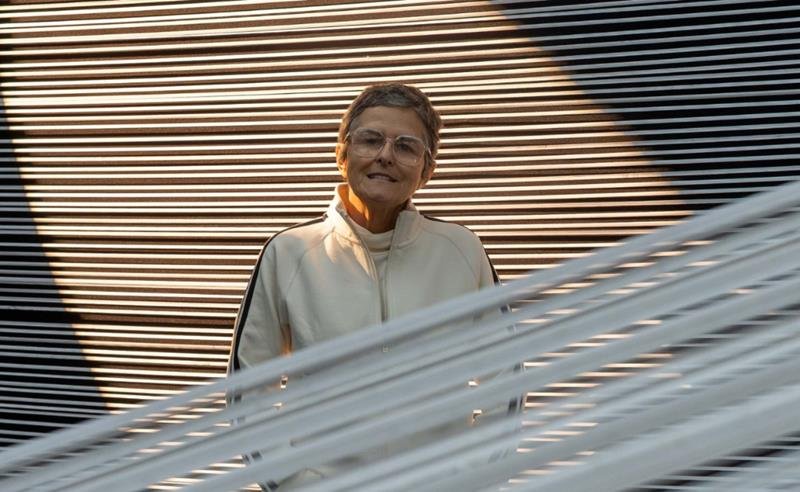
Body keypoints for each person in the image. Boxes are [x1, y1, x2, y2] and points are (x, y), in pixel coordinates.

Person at [228, 83, 503, 490]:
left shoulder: (462, 250)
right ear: (342, 155)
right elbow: (249, 391)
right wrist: (293, 482)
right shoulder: (289, 253)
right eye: (370, 140)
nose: (385, 155)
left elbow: (506, 377)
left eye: (406, 146)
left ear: (427, 170)